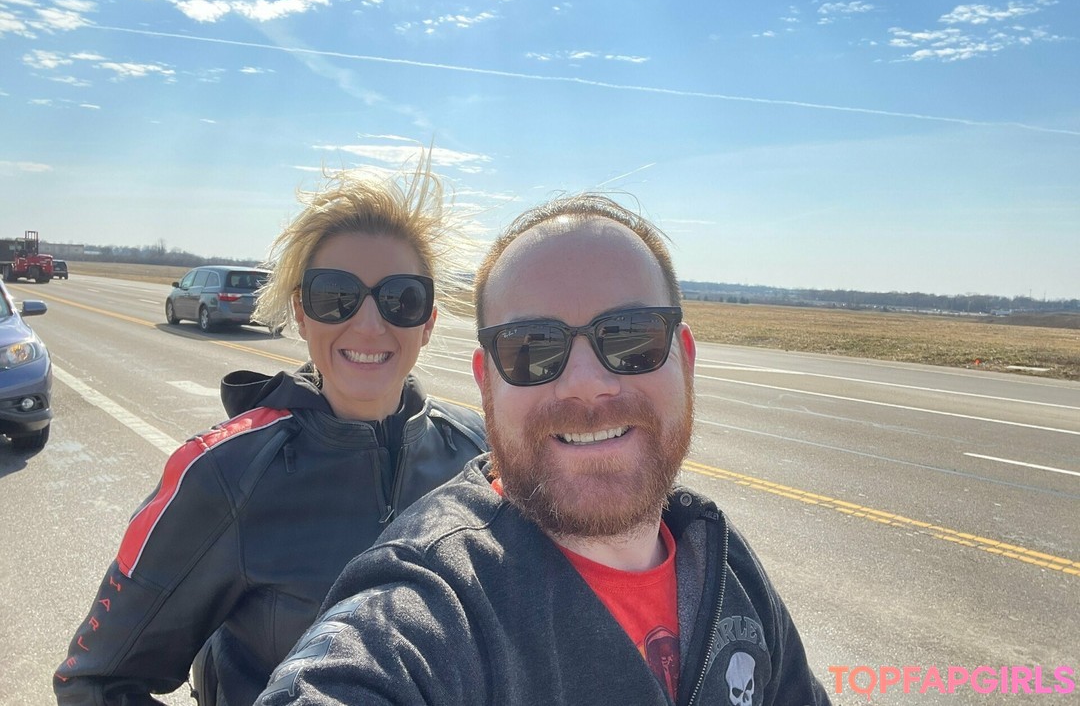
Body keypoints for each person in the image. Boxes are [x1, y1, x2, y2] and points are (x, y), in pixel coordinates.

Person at [256, 195, 831, 705]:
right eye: (531, 349)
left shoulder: (722, 559)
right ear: (486, 384)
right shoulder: (430, 604)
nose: (586, 382)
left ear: (685, 358)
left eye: (631, 337)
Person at [54, 154, 487, 706]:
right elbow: (93, 680)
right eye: (336, 296)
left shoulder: (479, 457)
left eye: (401, 299)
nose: (368, 324)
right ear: (302, 314)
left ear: (428, 322)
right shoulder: (226, 472)